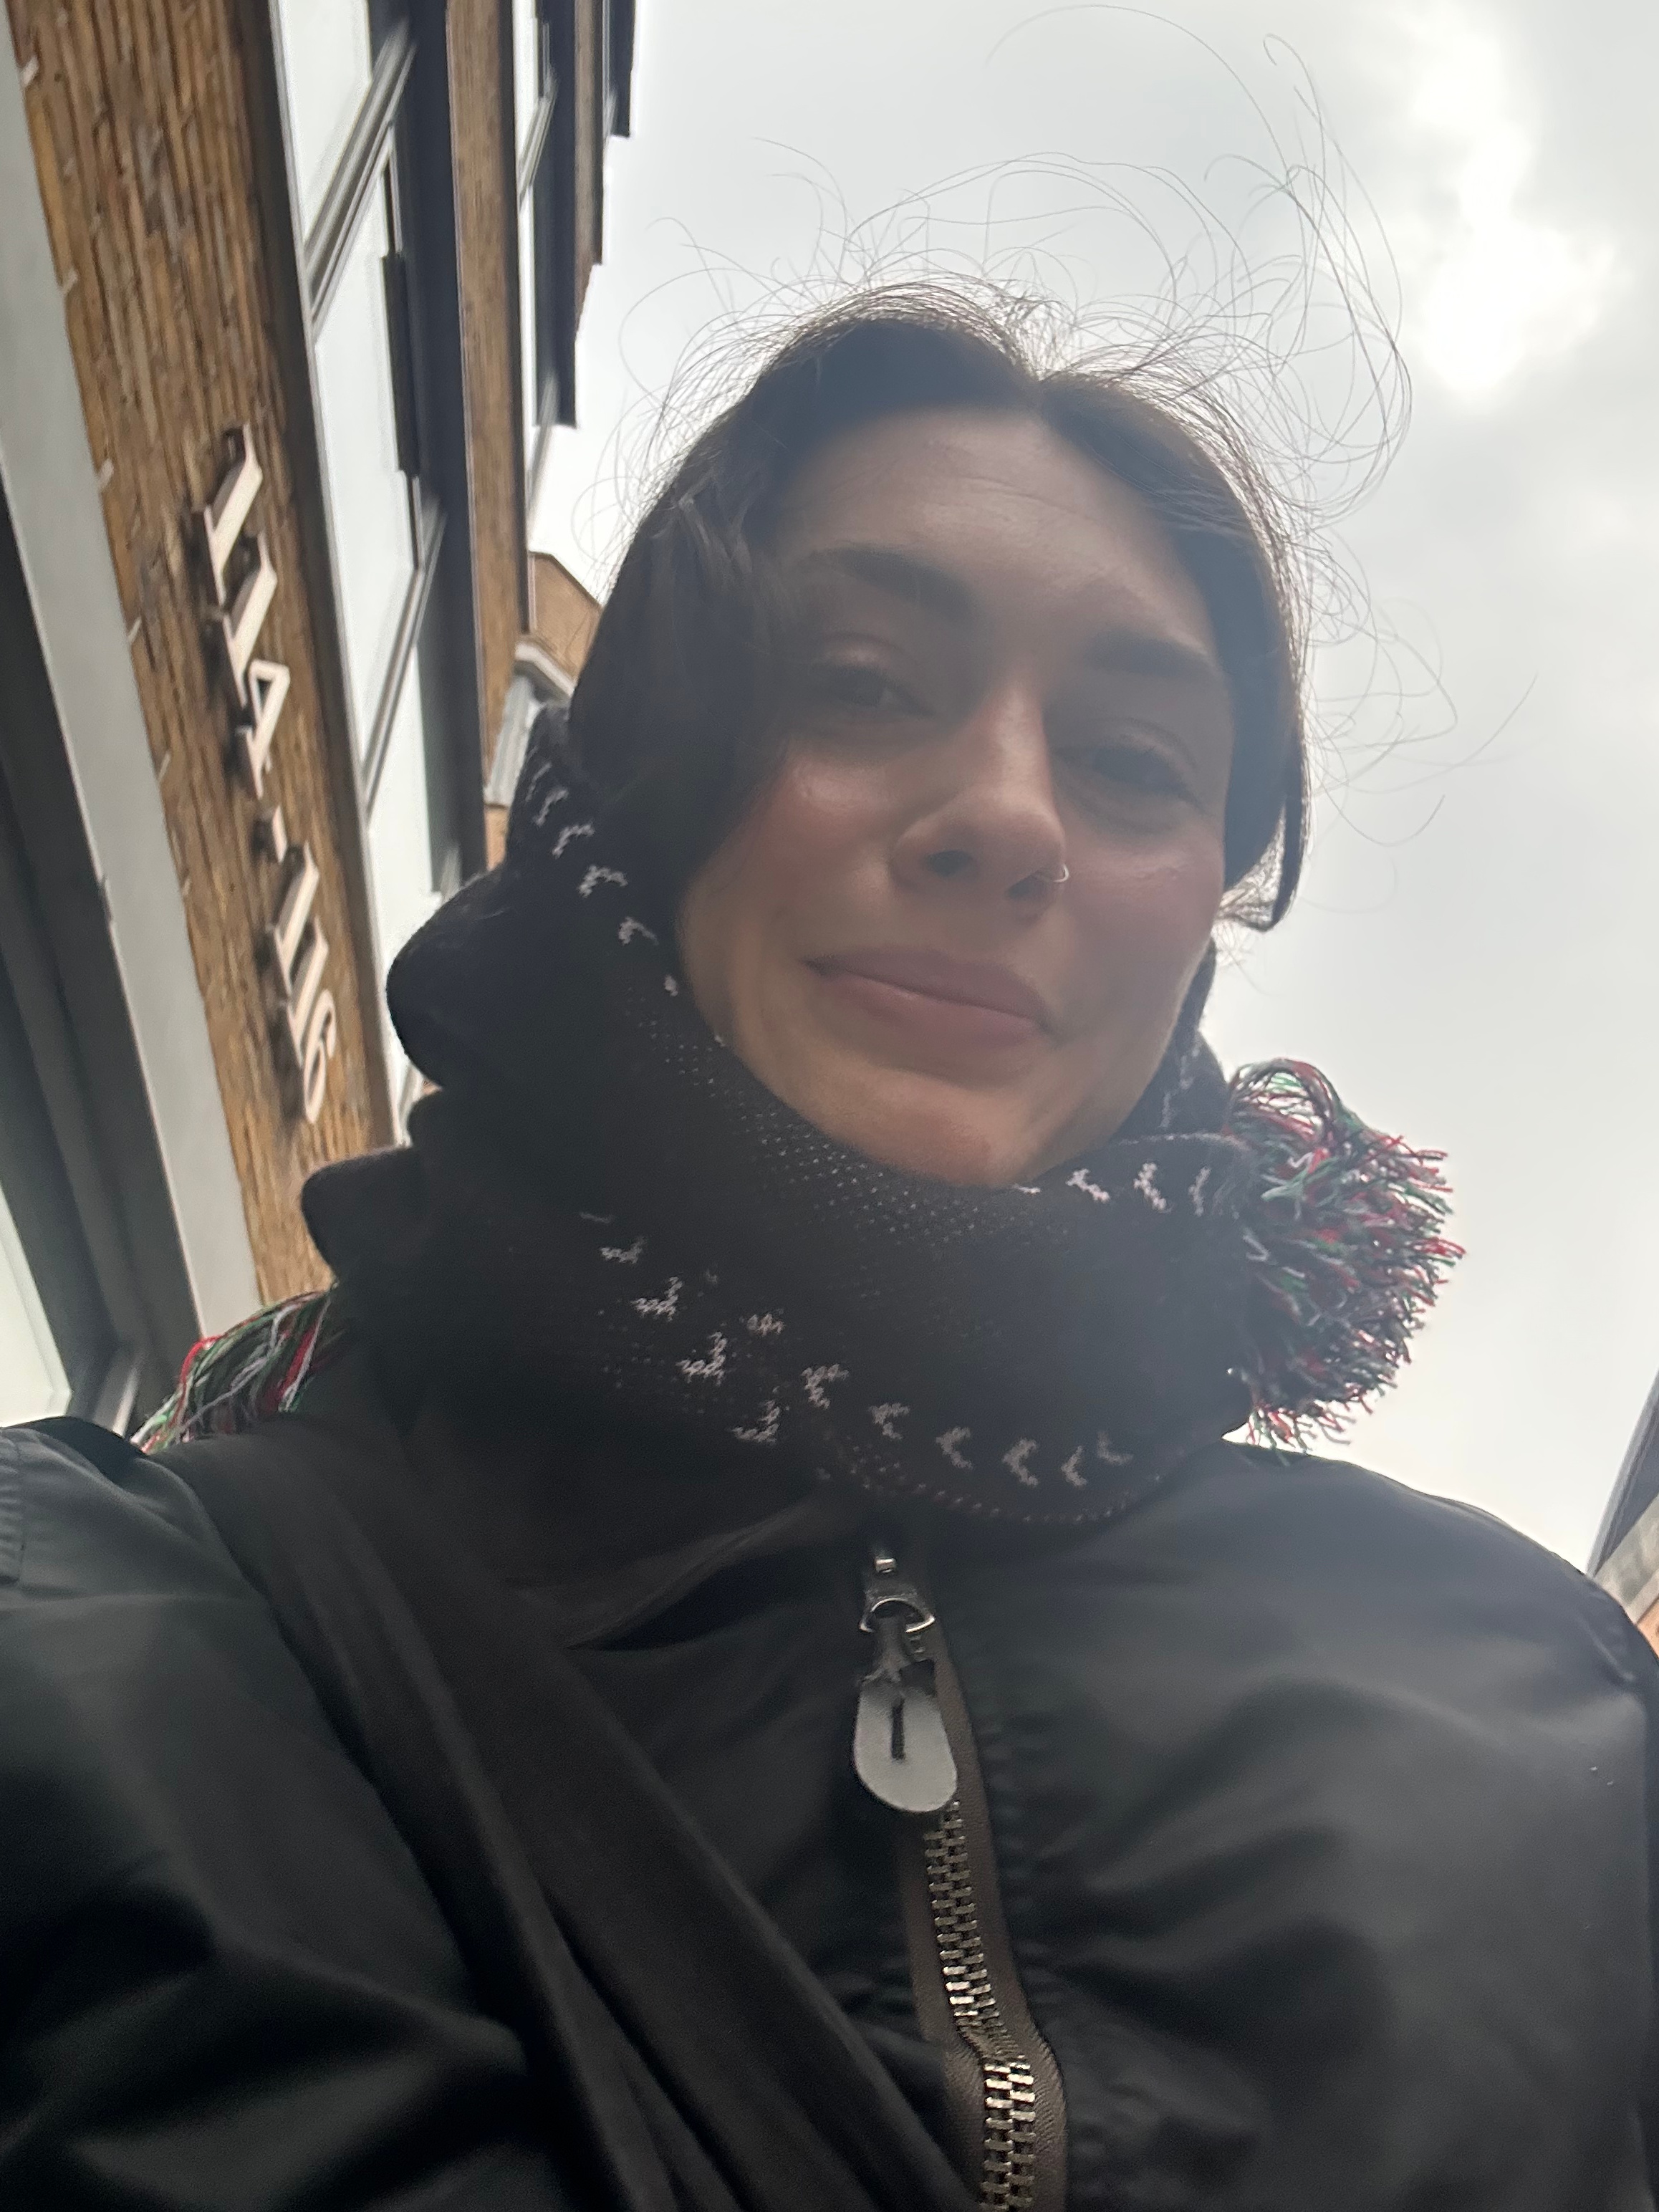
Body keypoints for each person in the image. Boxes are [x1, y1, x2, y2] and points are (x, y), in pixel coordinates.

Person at [1, 293, 1654, 2212]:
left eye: (1135, 763)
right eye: (862, 683)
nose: (1008, 818)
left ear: (1203, 915)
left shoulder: (1539, 1703)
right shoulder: (101, 1620)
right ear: (636, 789)